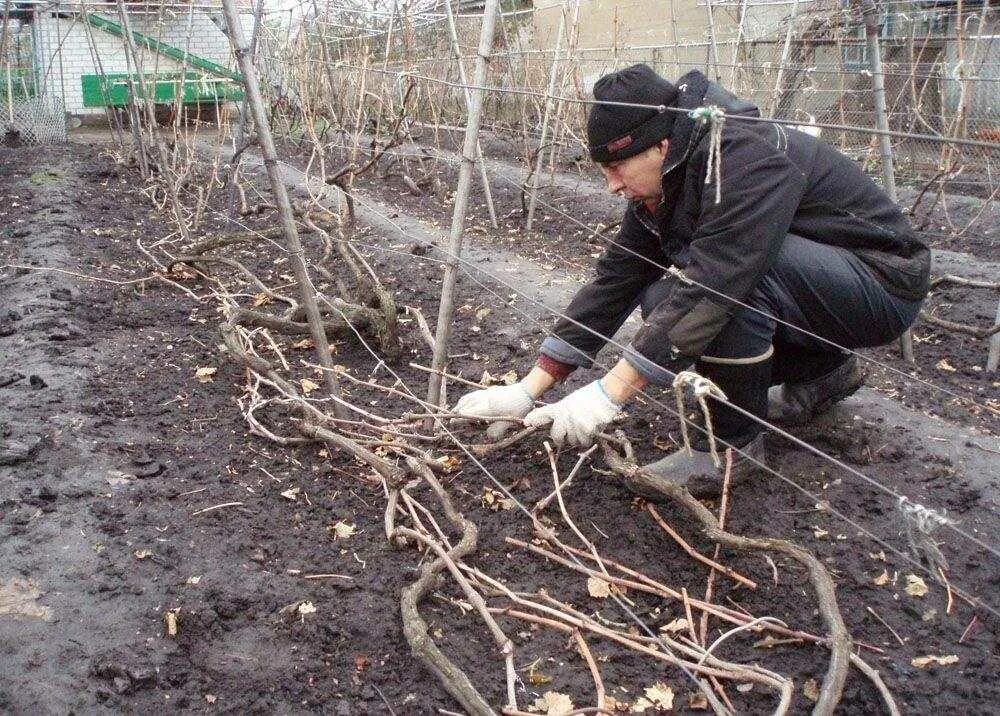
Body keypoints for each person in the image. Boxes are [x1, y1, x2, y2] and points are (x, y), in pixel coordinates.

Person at [454, 64, 929, 496]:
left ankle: (728, 450)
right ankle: (821, 373)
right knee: (661, 295)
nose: (612, 185)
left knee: (728, 288)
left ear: (661, 145)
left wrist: (606, 396)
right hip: (819, 285)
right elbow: (616, 278)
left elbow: (719, 279)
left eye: (617, 168)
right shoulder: (668, 177)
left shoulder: (741, 156)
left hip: (882, 282)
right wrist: (529, 389)